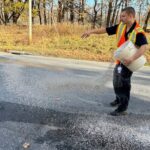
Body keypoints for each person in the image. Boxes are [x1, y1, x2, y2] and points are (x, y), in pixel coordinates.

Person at [81, 7, 148, 116]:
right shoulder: (121, 26)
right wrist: (91, 31)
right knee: (116, 80)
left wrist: (131, 59)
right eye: (120, 15)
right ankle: (118, 99)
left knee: (123, 83)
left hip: (130, 61)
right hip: (121, 59)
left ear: (131, 16)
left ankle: (122, 108)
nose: (120, 18)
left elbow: (144, 47)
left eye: (123, 16)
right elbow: (105, 30)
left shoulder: (138, 31)